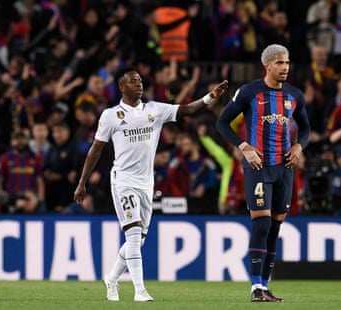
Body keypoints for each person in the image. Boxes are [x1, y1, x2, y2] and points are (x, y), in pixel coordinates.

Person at [73, 66, 228, 302]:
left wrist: (209, 97)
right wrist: (82, 182)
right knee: (134, 235)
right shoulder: (111, 115)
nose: (139, 84)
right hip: (123, 181)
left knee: (139, 240)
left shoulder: (155, 109)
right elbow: (96, 150)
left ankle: (112, 278)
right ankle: (139, 290)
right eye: (133, 81)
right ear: (122, 87)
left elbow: (186, 110)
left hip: (146, 182)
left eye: (140, 80)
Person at [216, 44, 310, 302]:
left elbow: (306, 128)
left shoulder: (294, 95)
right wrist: (244, 146)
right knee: (262, 223)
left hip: (285, 168)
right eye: (280, 63)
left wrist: (300, 146)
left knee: (275, 227)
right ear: (267, 65)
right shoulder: (249, 92)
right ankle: (255, 287)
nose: (285, 68)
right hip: (258, 166)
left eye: (287, 63)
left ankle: (265, 287)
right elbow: (221, 123)